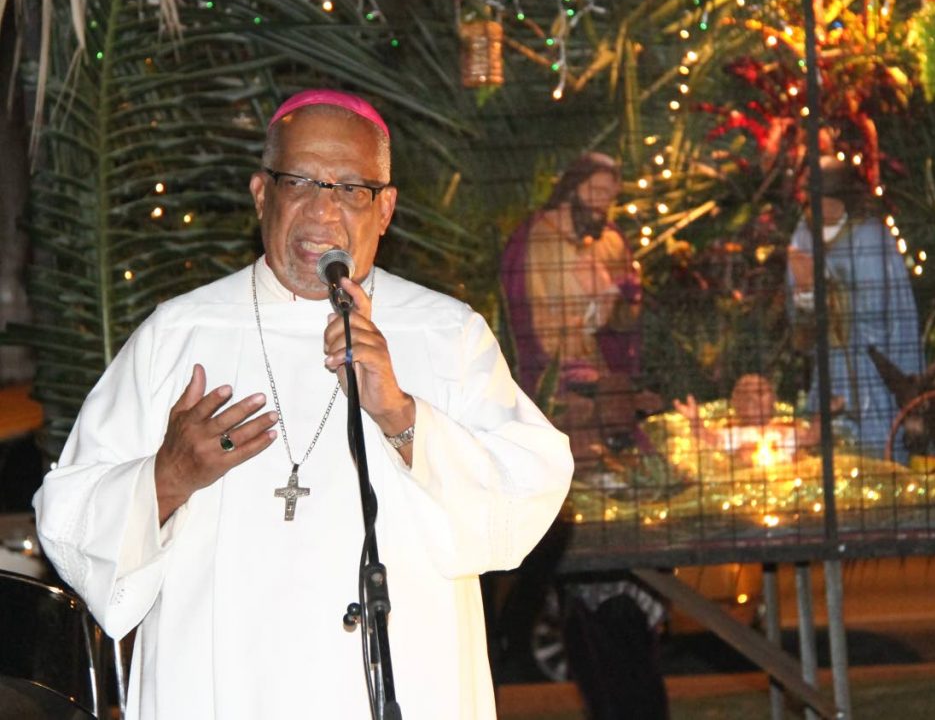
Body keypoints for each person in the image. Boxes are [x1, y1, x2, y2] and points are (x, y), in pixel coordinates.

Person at [32, 89, 573, 719]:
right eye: (302, 182)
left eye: (351, 188)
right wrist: (167, 477)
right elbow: (67, 519)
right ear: (263, 194)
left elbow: (520, 504)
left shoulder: (445, 333)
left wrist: (400, 415)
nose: (323, 210)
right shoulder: (179, 335)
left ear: (386, 208)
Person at [499, 153, 668, 720]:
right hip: (560, 386)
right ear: (571, 190)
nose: (601, 208)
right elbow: (539, 329)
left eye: (608, 198)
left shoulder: (612, 241)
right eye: (593, 195)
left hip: (600, 377)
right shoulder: (539, 240)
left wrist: (622, 304)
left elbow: (627, 326)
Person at [786, 156, 922, 460]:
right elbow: (800, 321)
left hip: (870, 361)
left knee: (873, 432)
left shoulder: (870, 235)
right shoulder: (803, 235)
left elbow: (877, 308)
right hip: (831, 359)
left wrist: (824, 285)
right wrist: (805, 295)